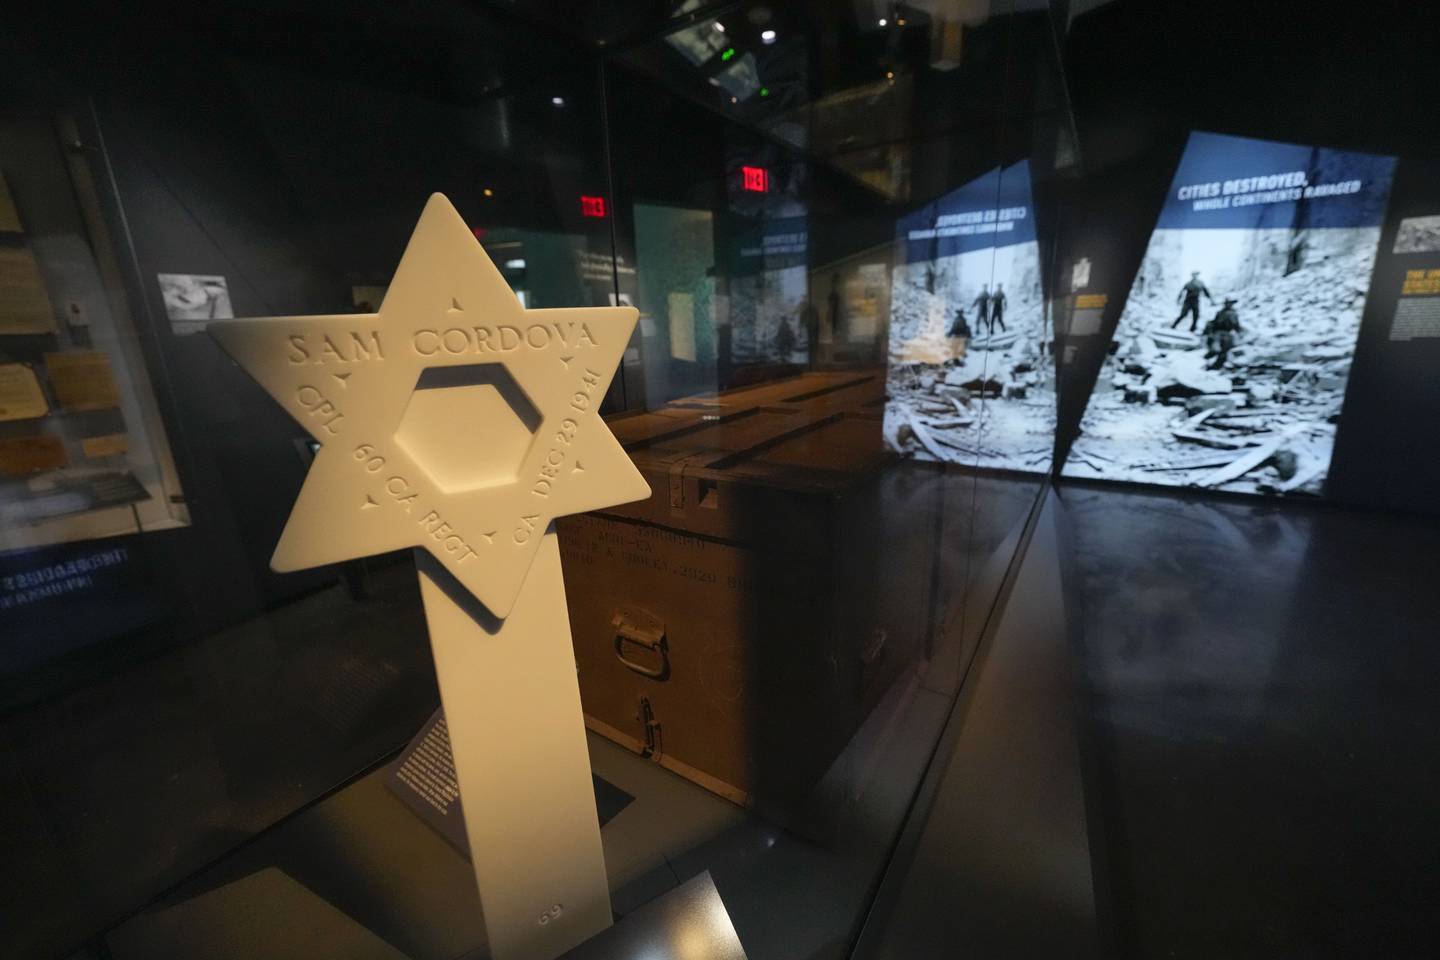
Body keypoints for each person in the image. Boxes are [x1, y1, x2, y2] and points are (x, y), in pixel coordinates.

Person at [1203, 298, 1242, 369]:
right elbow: (1236, 325)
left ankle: (1215, 364)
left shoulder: (1229, 313)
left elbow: (1236, 325)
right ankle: (1215, 364)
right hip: (1221, 333)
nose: (1228, 305)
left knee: (1222, 350)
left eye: (1229, 303)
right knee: (1221, 349)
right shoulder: (1227, 313)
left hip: (1225, 333)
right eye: (1227, 303)